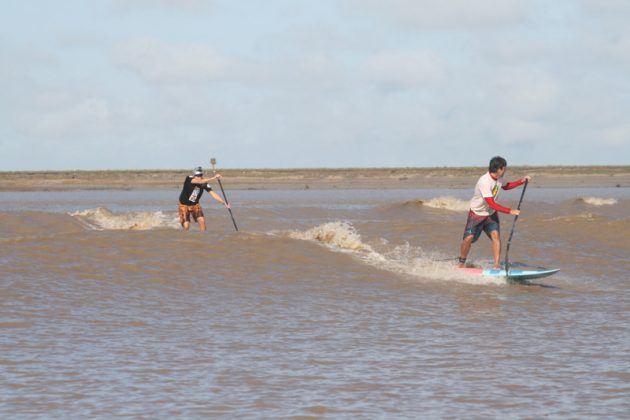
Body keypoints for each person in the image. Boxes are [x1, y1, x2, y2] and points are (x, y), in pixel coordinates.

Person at [458, 156, 531, 269]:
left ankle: (496, 265)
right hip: (477, 214)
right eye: (504, 169)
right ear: (499, 169)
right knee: (469, 239)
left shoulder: (499, 178)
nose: (505, 171)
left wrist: (522, 181)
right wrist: (510, 211)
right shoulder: (484, 181)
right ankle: (461, 263)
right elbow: (492, 203)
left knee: (495, 236)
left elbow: (506, 186)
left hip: (490, 214)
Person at [178, 166, 230, 231]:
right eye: (197, 175)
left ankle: (203, 235)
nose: (199, 177)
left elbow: (213, 194)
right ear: (194, 175)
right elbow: (199, 182)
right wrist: (214, 177)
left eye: (200, 175)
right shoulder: (189, 178)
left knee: (202, 220)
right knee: (186, 225)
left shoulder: (204, 183)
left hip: (195, 205)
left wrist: (224, 202)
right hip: (184, 205)